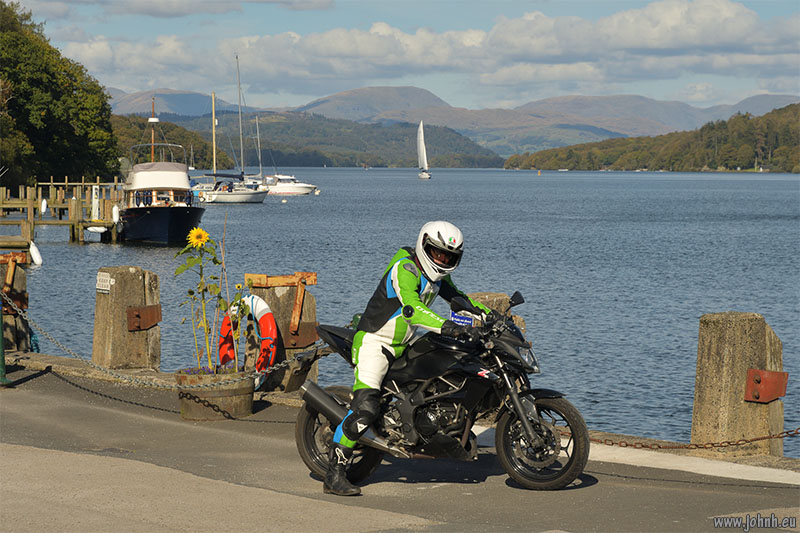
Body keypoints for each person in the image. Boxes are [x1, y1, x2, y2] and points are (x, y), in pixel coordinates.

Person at [324, 220, 496, 496]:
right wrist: (447, 325)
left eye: (449, 256)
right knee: (365, 410)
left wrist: (488, 316)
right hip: (376, 342)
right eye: (438, 253)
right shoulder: (405, 269)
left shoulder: (438, 277)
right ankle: (334, 473)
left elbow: (459, 299)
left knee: (447, 366)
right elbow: (412, 309)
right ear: (423, 245)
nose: (442, 259)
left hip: (407, 342)